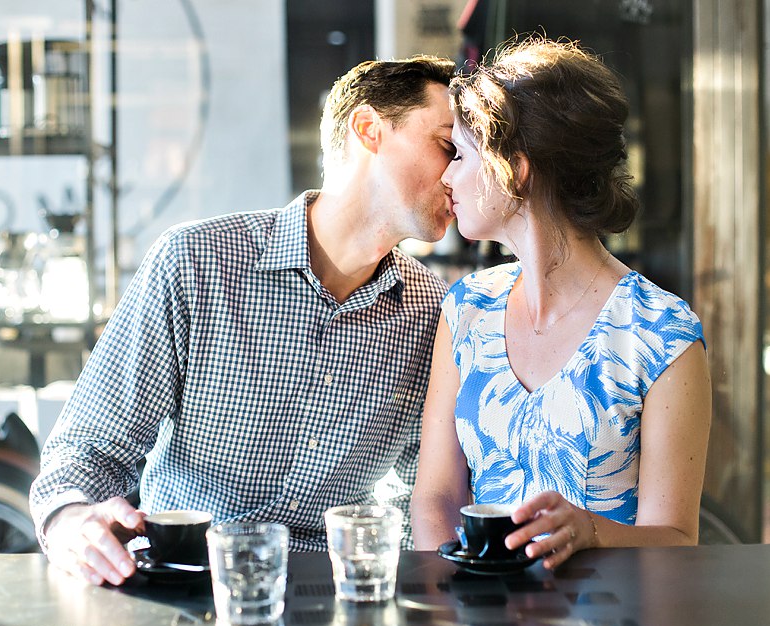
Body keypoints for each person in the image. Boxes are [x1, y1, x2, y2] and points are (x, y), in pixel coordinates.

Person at [30, 55, 458, 586]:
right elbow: (90, 448)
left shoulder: (434, 311)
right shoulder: (194, 262)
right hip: (184, 582)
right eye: (447, 146)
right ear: (369, 130)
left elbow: (429, 490)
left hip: (330, 600)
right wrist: (70, 519)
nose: (461, 171)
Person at [410, 38, 712, 570]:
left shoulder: (663, 335)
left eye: (459, 154)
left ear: (516, 168)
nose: (446, 175)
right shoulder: (466, 309)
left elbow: (676, 539)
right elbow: (435, 497)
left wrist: (590, 530)